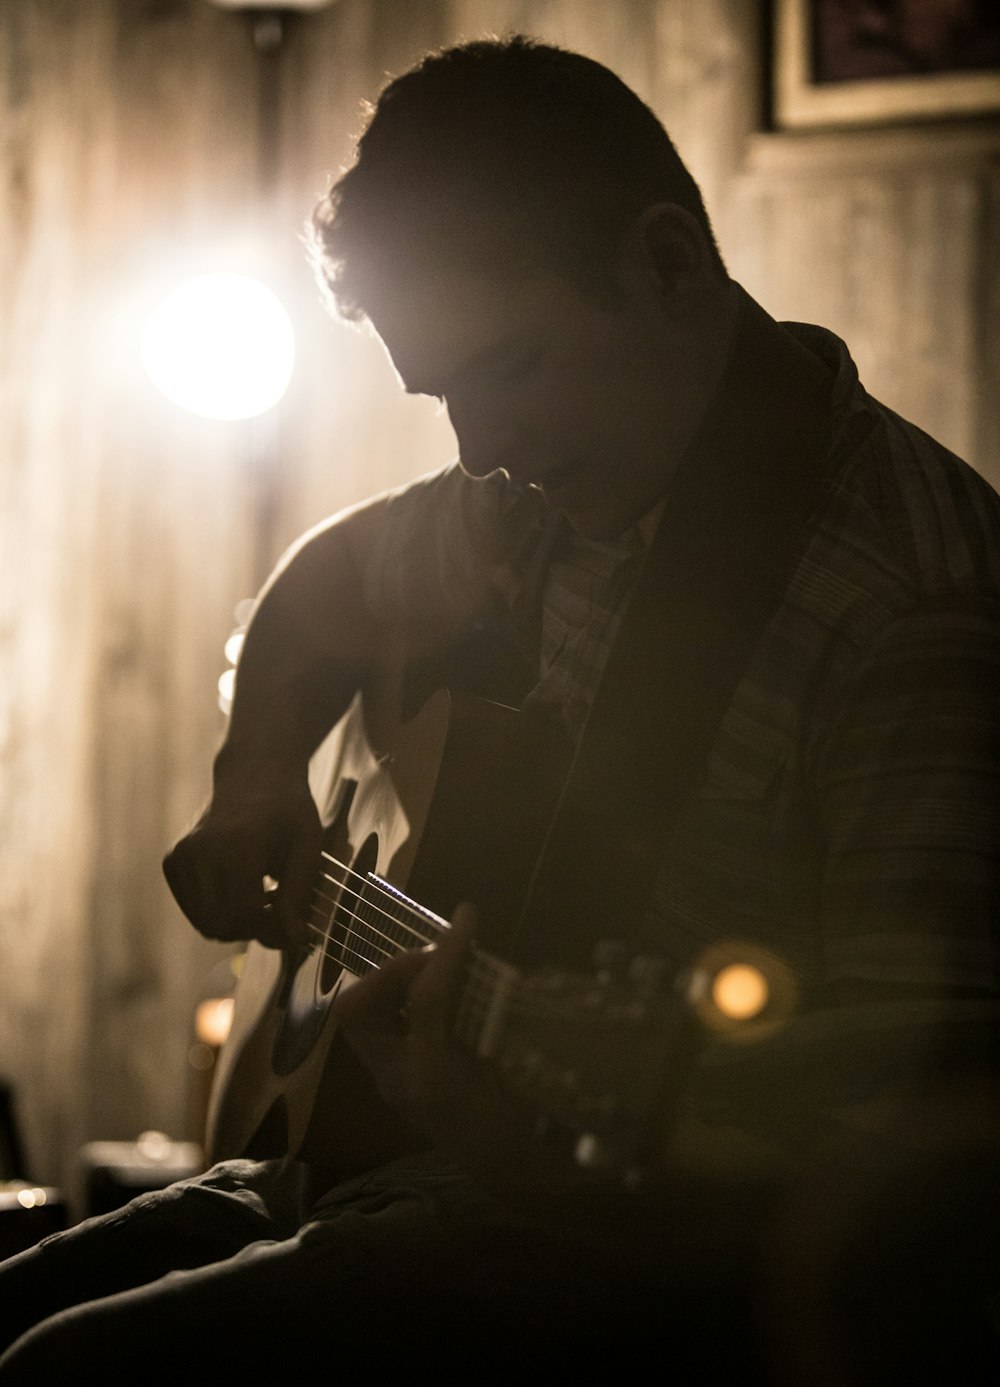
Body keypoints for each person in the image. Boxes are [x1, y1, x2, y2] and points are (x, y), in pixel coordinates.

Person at [1, 34, 998, 1383]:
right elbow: (336, 571)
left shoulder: (910, 610)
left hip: (657, 1271)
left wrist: (525, 1128)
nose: (480, 448)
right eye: (445, 394)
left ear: (666, 263)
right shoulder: (552, 496)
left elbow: (905, 1143)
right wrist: (254, 776)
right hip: (411, 1164)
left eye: (510, 367)